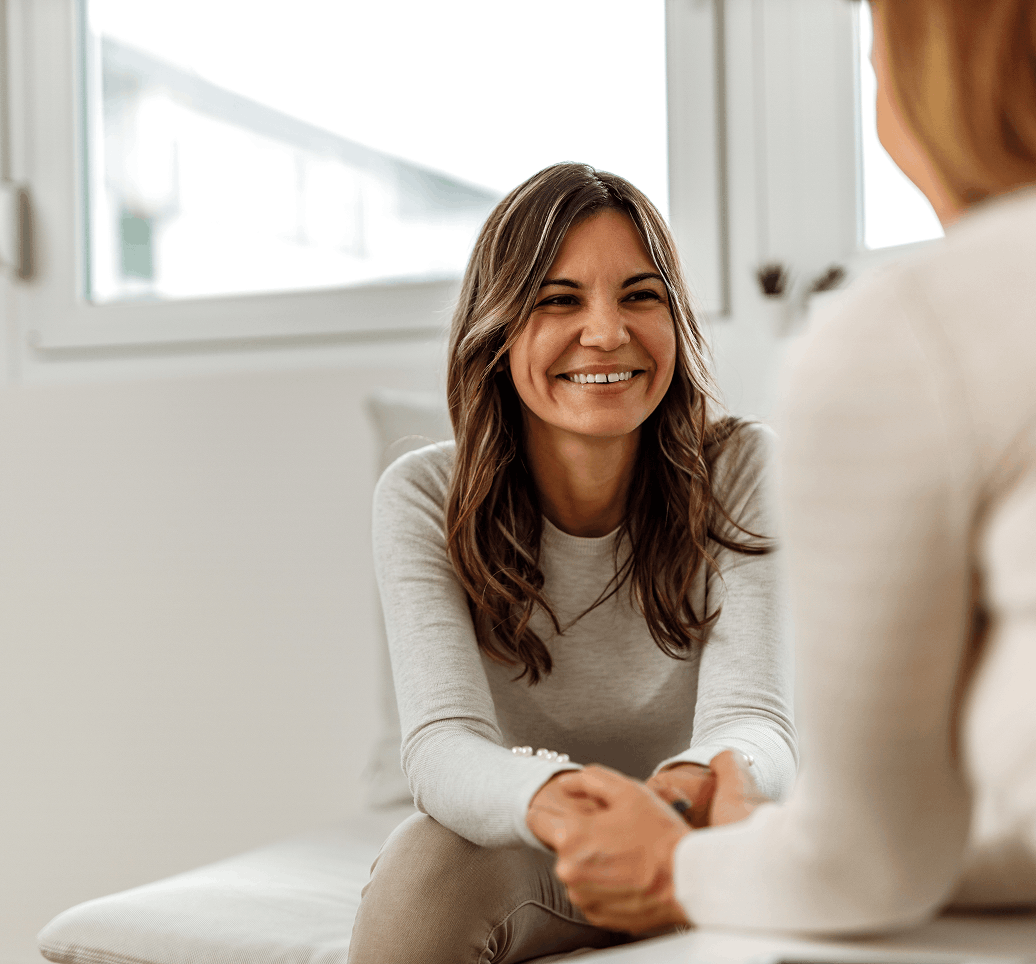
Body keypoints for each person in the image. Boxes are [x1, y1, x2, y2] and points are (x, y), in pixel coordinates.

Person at [545, 0, 1036, 937]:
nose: (603, 332)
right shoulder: (423, 494)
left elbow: (868, 865)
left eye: (872, 52)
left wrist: (677, 864)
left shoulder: (912, 337)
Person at [346, 162, 797, 963]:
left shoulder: (739, 468)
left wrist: (675, 800)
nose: (606, 331)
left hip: (703, 842)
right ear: (499, 328)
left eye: (639, 295)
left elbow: (753, 722)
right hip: (536, 838)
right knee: (424, 866)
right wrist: (562, 803)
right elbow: (443, 745)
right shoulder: (420, 495)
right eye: (559, 300)